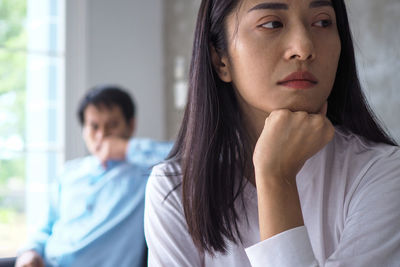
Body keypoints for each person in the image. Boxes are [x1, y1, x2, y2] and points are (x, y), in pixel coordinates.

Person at [144, 0, 400, 266]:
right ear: (220, 59)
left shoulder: (384, 172)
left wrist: (276, 178)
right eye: (271, 24)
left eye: (323, 22)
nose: (304, 48)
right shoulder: (177, 189)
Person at [15, 85, 173, 267]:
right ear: (84, 130)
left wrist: (127, 149)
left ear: (131, 126)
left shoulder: (147, 173)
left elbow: (192, 157)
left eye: (112, 125)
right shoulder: (69, 173)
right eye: (94, 126)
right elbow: (45, 227)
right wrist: (30, 252)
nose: (102, 135)